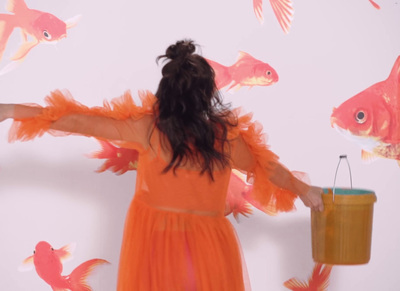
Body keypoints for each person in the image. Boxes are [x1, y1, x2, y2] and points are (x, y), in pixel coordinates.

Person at [0, 39, 323, 291]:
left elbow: (78, 122)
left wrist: (13, 109)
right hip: (192, 237)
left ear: (165, 92)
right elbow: (265, 166)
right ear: (209, 94)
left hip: (160, 235)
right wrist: (302, 189)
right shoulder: (216, 135)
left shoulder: (152, 127)